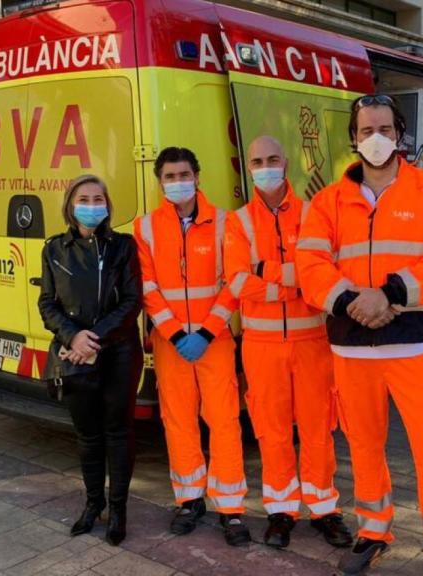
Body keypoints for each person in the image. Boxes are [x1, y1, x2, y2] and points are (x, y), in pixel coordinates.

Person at [296, 94, 423, 576]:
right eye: (366, 130)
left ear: (400, 135)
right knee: (364, 449)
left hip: (414, 346)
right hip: (352, 348)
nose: (376, 139)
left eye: (386, 130)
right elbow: (309, 265)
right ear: (353, 138)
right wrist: (354, 301)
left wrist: (388, 294)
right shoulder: (328, 201)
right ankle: (373, 528)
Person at [223, 136, 352, 550]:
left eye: (273, 158)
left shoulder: (315, 215)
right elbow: (239, 282)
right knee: (272, 432)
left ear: (287, 161)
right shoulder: (238, 222)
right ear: (249, 166)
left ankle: (324, 510)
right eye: (258, 160)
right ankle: (281, 512)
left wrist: (269, 271)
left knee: (318, 430)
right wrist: (291, 281)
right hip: (261, 345)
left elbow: (325, 275)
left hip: (313, 341)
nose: (266, 166)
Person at [133, 147, 249, 546]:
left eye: (184, 173)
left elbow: (233, 283)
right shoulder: (144, 228)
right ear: (159, 181)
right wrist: (178, 334)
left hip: (213, 342)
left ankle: (231, 508)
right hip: (171, 344)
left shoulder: (224, 222)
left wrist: (205, 332)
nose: (177, 181)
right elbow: (146, 288)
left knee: (224, 421)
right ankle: (189, 499)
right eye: (169, 176)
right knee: (178, 422)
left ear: (198, 177)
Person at [38, 174, 143, 545]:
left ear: (107, 205)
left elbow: (132, 302)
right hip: (75, 355)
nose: (92, 205)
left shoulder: (124, 247)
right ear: (70, 205)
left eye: (99, 199)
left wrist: (92, 339)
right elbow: (47, 304)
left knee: (118, 431)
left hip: (119, 352)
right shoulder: (54, 249)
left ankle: (118, 510)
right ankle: (92, 503)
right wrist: (72, 336)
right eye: (85, 198)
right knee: (87, 435)